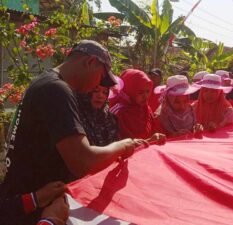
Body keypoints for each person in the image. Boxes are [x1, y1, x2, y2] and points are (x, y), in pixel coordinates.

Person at [0, 40, 145, 225]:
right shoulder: (56, 89)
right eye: (100, 77)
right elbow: (83, 161)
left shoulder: (44, 82)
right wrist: (122, 146)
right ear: (90, 62)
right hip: (32, 211)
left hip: (31, 199)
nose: (97, 86)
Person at [109, 69, 166, 143]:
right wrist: (149, 141)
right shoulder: (118, 112)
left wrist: (158, 136)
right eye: (140, 92)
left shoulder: (146, 109)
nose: (145, 96)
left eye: (148, 91)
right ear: (129, 90)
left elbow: (153, 131)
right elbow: (117, 143)